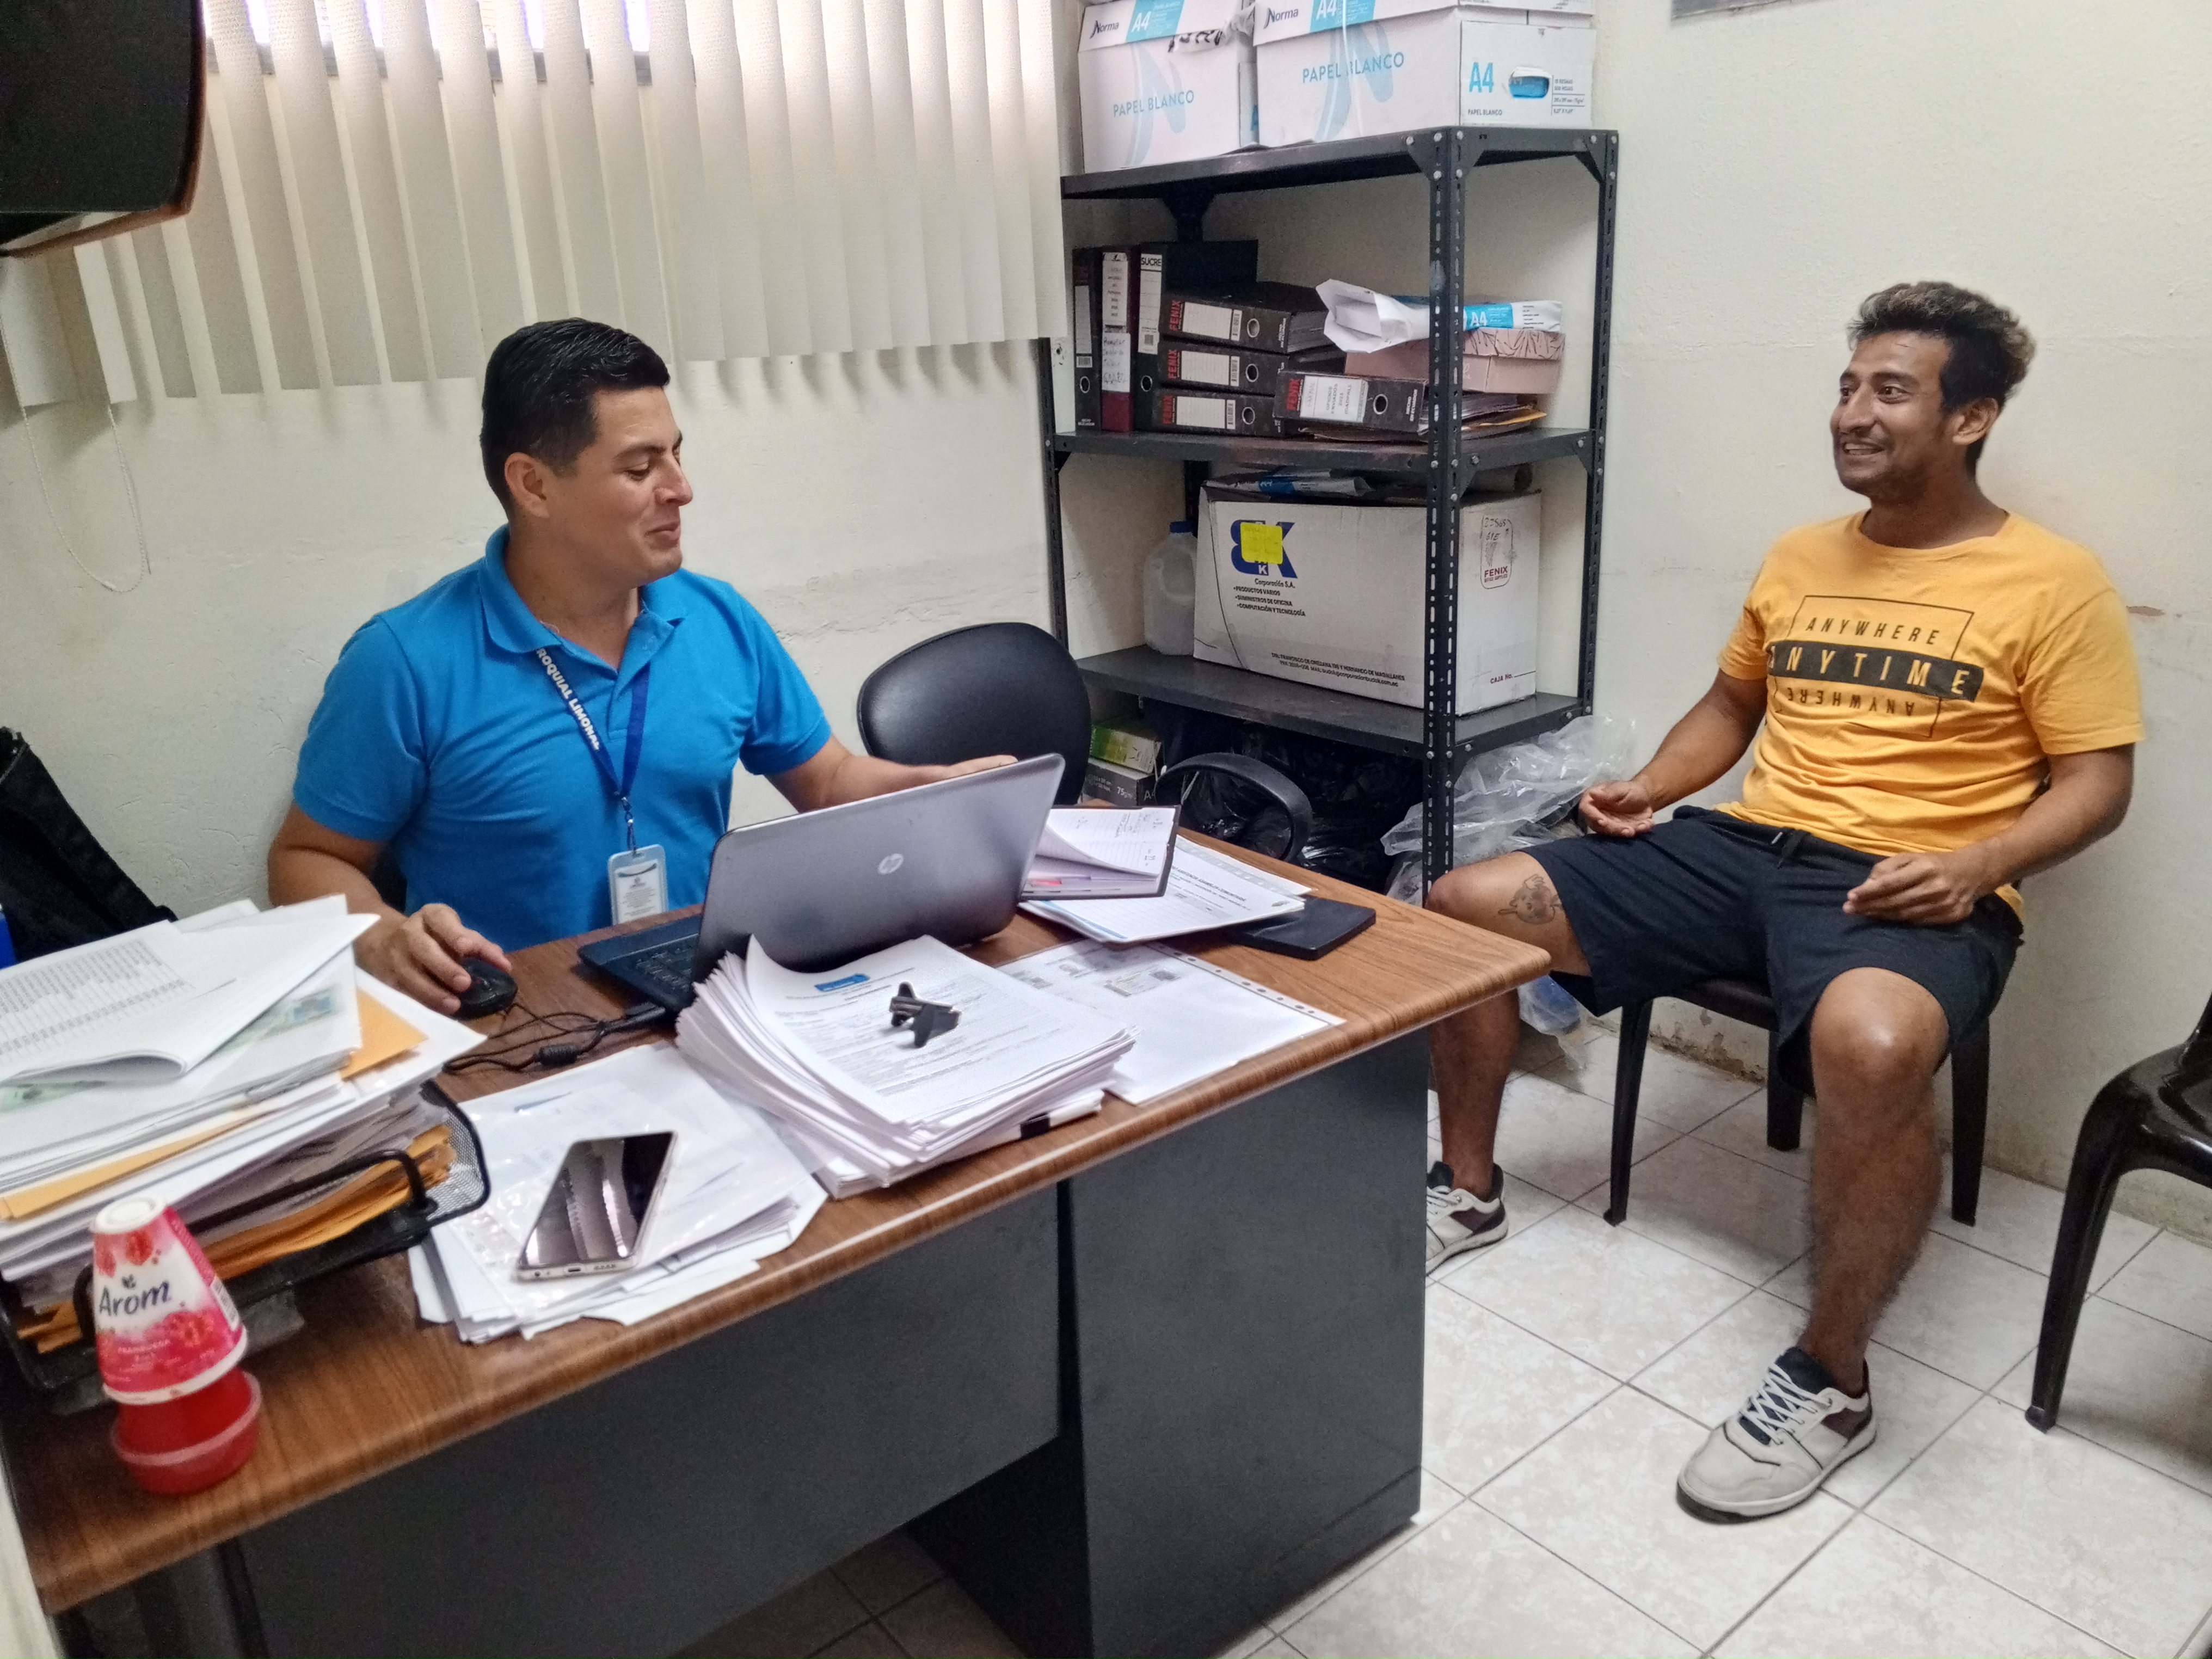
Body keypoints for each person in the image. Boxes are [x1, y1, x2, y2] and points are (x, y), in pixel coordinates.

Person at [1422, 282, 2142, 1521]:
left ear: (1971, 417)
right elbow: (1733, 706)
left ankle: (1832, 1382)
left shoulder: (2055, 583)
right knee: (1466, 899)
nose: (1852, 413)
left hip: (1912, 879)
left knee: (1871, 1044)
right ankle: (1467, 1190)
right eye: (1848, 386)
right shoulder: (1802, 556)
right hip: (1746, 848)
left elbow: (2098, 784)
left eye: (1890, 391)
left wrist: (1978, 865)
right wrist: (1650, 788)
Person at [268, 319, 1007, 1015]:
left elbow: (828, 781)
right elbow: (304, 858)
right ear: (533, 485)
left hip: (707, 1003)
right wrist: (380, 937)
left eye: (677, 455)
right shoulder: (405, 660)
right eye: (640, 467)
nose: (681, 489)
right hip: (518, 1032)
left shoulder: (718, 619)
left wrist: (929, 792)